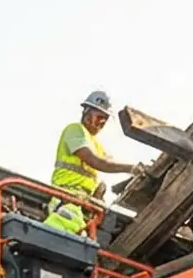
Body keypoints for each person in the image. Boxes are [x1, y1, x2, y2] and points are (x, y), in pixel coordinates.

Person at [47, 90, 138, 237]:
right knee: (61, 238)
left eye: (105, 119)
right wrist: (132, 168)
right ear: (86, 112)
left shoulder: (97, 145)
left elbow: (108, 161)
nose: (101, 122)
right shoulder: (75, 130)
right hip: (67, 197)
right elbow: (96, 161)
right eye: (99, 116)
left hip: (82, 204)